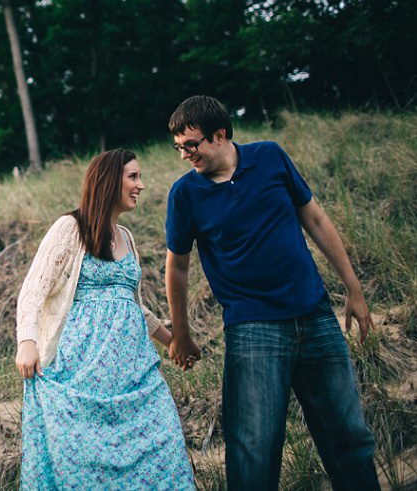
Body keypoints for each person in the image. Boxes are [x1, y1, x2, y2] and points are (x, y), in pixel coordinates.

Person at [163, 95, 380, 491]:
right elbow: (177, 265)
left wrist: (354, 288)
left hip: (315, 315)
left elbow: (315, 218)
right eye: (178, 147)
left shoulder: (270, 157)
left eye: (191, 146)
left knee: (348, 437)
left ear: (220, 134)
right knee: (254, 451)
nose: (184, 156)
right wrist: (181, 331)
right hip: (253, 328)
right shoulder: (185, 194)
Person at [16, 149, 195, 490]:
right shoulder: (71, 227)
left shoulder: (126, 237)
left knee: (164, 444)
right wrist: (27, 341)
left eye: (139, 177)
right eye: (133, 177)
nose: (141, 185)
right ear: (109, 181)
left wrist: (173, 340)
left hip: (135, 374)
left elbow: (132, 307)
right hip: (80, 372)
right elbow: (33, 291)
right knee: (85, 465)